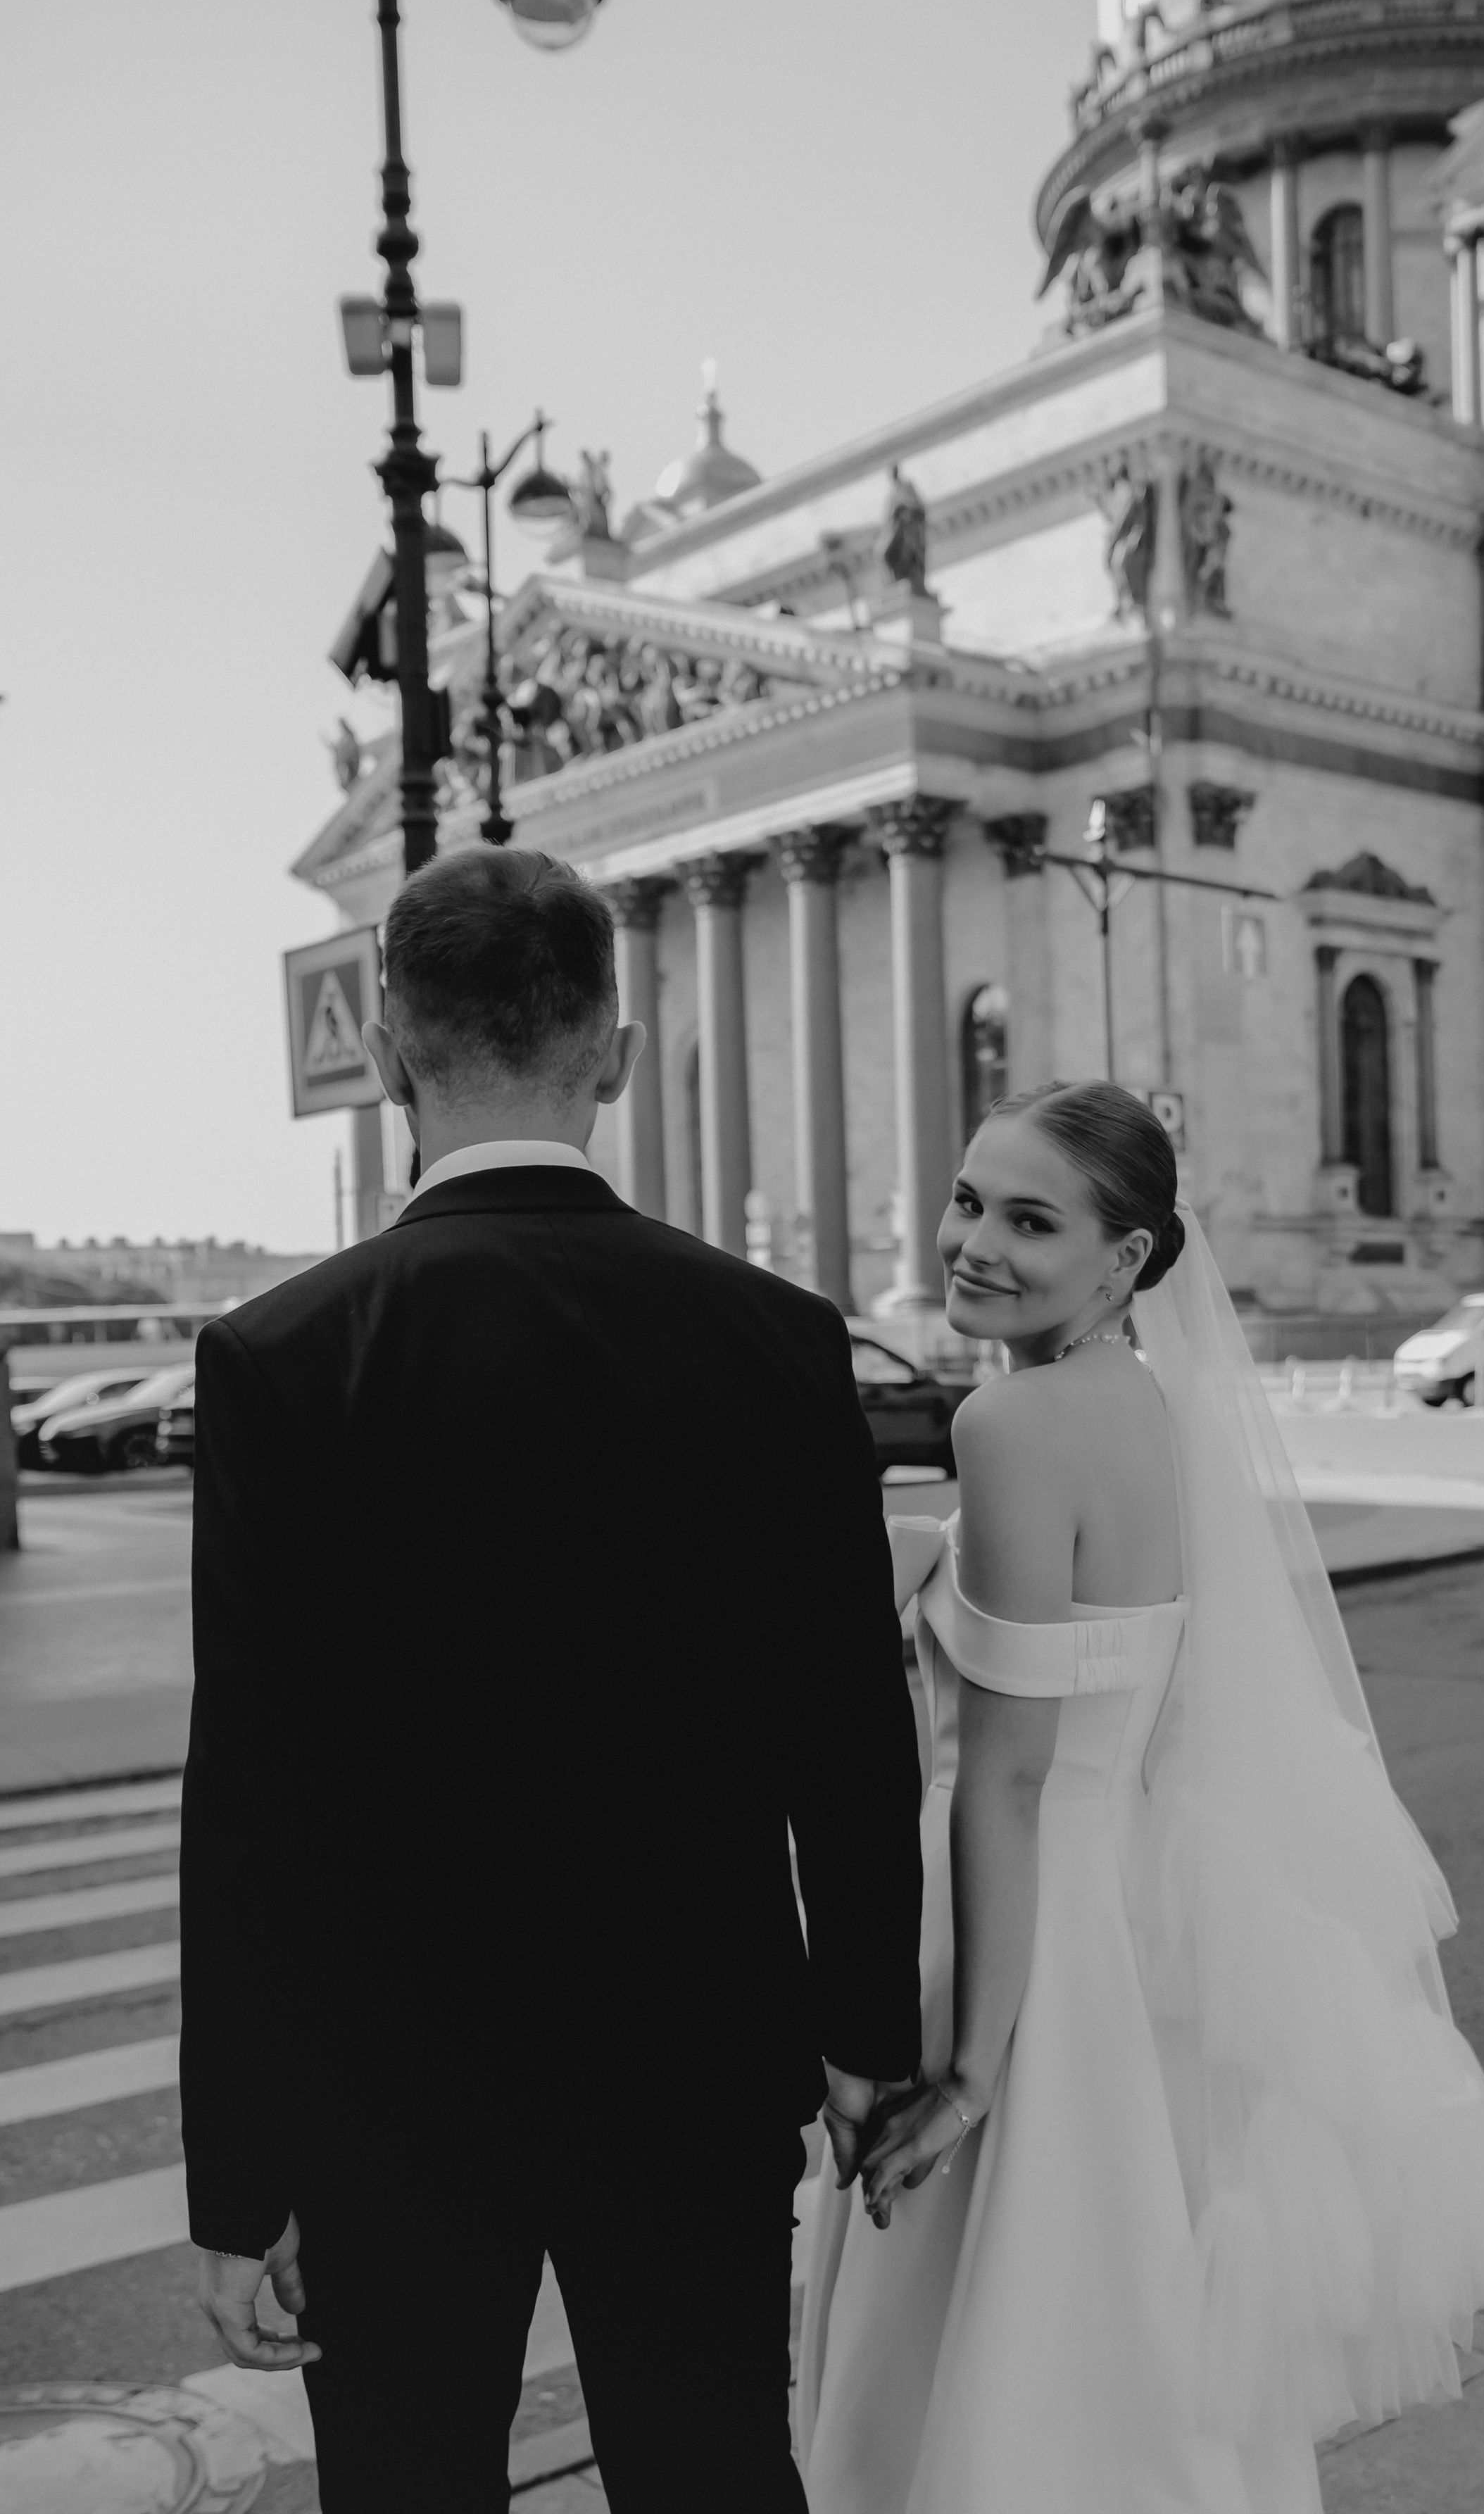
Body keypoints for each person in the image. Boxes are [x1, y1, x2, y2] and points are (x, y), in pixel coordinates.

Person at [180, 846, 924, 2513]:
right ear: (615, 1047)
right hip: (695, 2048)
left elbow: (253, 1795)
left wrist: (240, 2174)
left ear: (386, 1053)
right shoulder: (776, 1337)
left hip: (392, 2082)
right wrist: (865, 2027)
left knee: (411, 2479)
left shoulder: (284, 1353)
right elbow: (847, 1733)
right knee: (713, 2467)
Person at [797, 1080, 1484, 2514]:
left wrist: (970, 2071)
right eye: (965, 1200)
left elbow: (1000, 1781)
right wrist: (934, 1554)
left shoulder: (1006, 1421)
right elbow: (1118, 1651)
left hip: (1023, 1926)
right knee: (1138, 2315)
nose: (972, 1243)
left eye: (1029, 1219)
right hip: (1134, 1890)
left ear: (1125, 1258)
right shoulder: (1152, 1399)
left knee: (990, 2315)